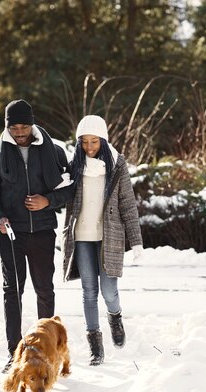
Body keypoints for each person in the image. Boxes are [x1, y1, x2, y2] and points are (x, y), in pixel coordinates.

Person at [0, 99, 71, 373]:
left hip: (42, 229)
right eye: (15, 127)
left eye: (24, 126)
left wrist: (48, 201)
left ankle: (46, 349)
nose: (20, 133)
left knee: (45, 290)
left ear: (32, 124)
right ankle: (15, 352)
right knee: (12, 292)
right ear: (7, 126)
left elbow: (69, 189)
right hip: (11, 233)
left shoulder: (53, 151)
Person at [62, 115, 143, 366]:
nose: (89, 147)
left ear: (103, 141)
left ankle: (115, 316)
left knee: (109, 291)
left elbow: (128, 205)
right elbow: (60, 195)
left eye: (94, 141)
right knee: (88, 292)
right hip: (82, 237)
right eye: (84, 142)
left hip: (110, 237)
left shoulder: (117, 166)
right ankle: (96, 348)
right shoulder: (73, 167)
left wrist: (137, 241)